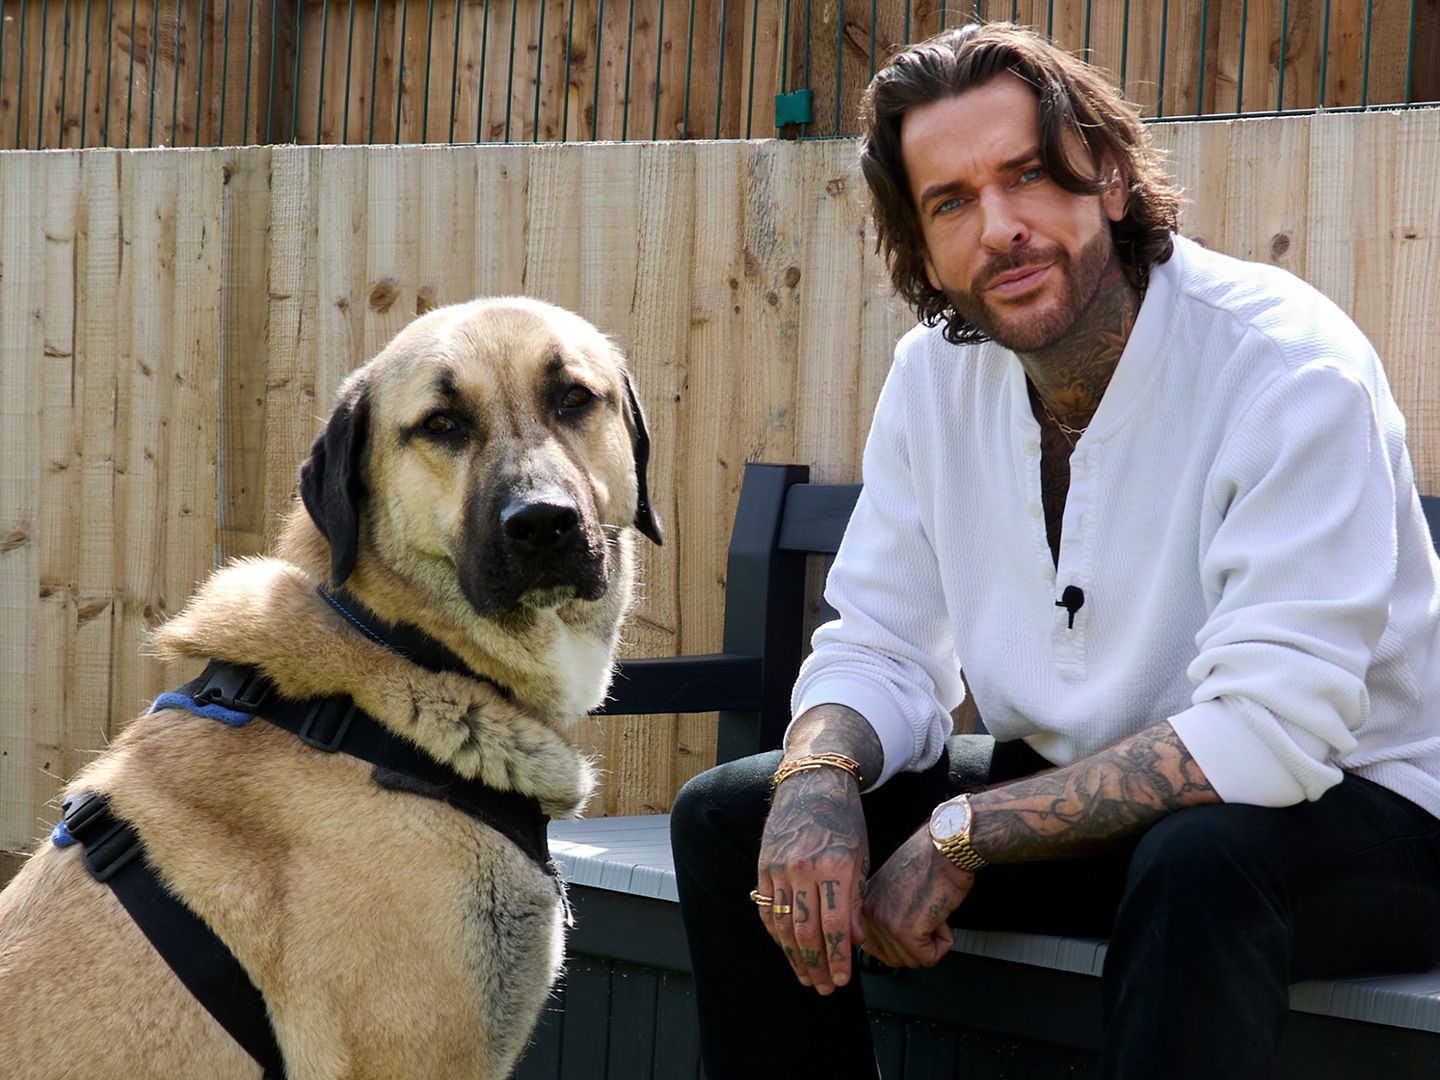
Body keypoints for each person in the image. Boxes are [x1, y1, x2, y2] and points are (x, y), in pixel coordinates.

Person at [670, 21, 1440, 1080]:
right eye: (952, 203)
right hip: (1088, 796)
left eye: (1028, 176)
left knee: (1200, 864)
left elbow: (1271, 735)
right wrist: (817, 779)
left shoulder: (1286, 369)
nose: (1001, 229)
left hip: (1358, 811)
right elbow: (883, 642)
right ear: (923, 247)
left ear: (1109, 178)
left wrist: (961, 833)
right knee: (734, 818)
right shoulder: (936, 379)